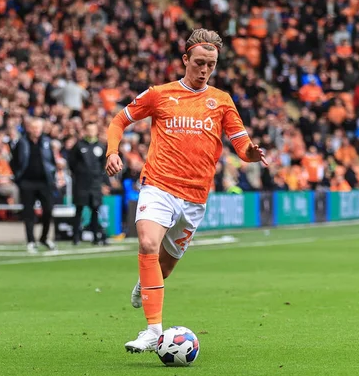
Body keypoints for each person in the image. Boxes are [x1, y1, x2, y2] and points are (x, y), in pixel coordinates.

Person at [105, 29, 267, 353]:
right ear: (185, 60)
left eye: (211, 64)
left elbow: (240, 142)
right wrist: (112, 151)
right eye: (199, 62)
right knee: (148, 242)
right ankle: (153, 331)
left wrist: (250, 153)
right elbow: (118, 121)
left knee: (163, 268)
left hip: (195, 198)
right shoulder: (160, 95)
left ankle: (145, 282)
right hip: (159, 185)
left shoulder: (221, 102)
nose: (205, 70)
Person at [10, 118, 58, 253]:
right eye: (34, 127)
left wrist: (52, 176)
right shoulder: (22, 142)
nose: (36, 130)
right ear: (29, 128)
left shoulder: (46, 142)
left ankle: (44, 237)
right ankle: (31, 241)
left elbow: (51, 161)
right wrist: (18, 177)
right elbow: (13, 161)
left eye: (38, 128)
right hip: (27, 182)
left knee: (48, 210)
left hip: (44, 182)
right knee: (28, 213)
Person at [67, 122, 109, 245]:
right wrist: (80, 174)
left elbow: (103, 165)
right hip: (81, 184)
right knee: (79, 210)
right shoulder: (78, 145)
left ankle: (96, 237)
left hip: (95, 184)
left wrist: (102, 181)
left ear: (96, 131)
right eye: (89, 130)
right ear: (85, 131)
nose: (91, 132)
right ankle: (75, 237)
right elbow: (71, 163)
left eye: (93, 130)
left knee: (95, 210)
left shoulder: (101, 146)